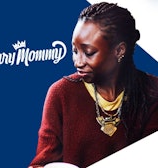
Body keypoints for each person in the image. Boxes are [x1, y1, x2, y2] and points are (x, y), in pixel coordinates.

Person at [29, 2, 158, 168]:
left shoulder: (152, 92)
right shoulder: (62, 93)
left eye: (89, 53)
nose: (78, 62)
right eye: (74, 51)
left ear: (119, 51)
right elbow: (41, 162)